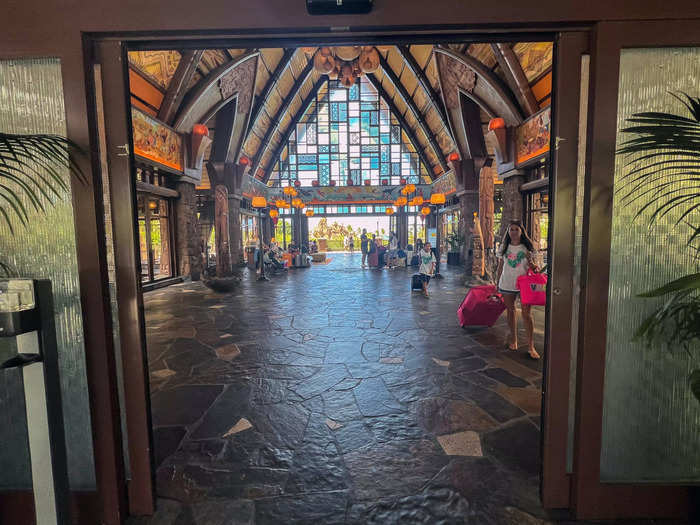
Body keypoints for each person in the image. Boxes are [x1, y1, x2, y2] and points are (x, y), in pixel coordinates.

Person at [496, 221, 540, 360]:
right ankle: (513, 339)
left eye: (516, 229)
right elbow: (500, 266)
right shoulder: (504, 247)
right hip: (507, 283)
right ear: (508, 232)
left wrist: (532, 263)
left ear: (521, 231)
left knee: (527, 314)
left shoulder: (527, 247)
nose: (514, 232)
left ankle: (531, 345)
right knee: (511, 311)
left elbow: (535, 268)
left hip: (524, 285)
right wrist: (496, 283)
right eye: (511, 229)